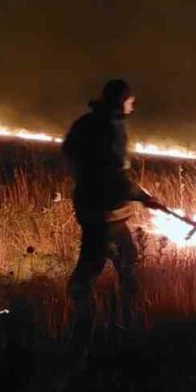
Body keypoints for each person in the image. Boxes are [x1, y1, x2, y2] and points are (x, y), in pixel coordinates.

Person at [60, 79, 163, 365]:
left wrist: (84, 177)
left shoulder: (85, 123)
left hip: (91, 207)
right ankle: (95, 323)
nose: (134, 104)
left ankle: (112, 316)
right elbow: (116, 175)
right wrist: (143, 196)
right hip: (107, 213)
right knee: (101, 264)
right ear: (121, 102)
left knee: (122, 257)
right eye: (130, 100)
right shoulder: (113, 129)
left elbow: (69, 151)